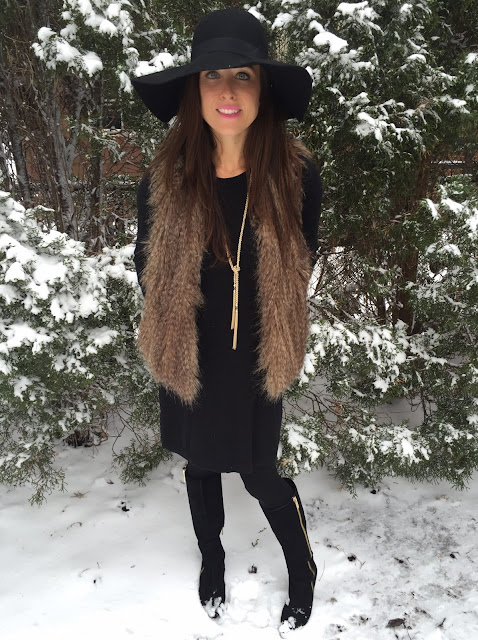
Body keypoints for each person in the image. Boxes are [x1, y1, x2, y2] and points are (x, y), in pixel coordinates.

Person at [132, 8, 322, 633]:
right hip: (190, 346)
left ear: (262, 89)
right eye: (213, 75)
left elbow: (302, 259)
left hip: (258, 353)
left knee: (261, 471)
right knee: (200, 461)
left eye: (244, 74)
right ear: (195, 89)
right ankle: (211, 557)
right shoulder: (165, 178)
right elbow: (145, 259)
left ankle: (301, 567)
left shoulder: (296, 176)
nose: (228, 90)